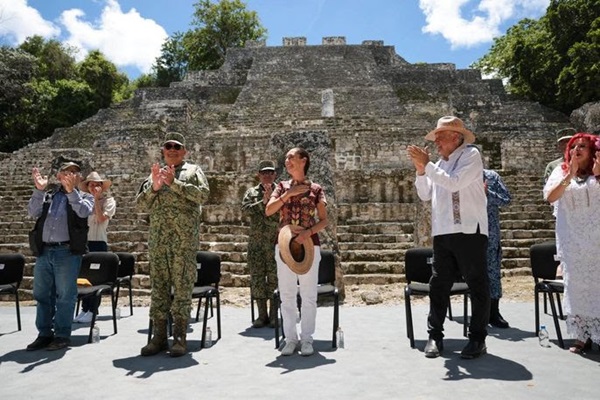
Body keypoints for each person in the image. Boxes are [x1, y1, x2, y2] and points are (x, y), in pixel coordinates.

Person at [407, 116, 490, 359]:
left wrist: (428, 165)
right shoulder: (439, 165)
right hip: (443, 232)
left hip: (469, 230)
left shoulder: (470, 155)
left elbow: (455, 184)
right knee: (439, 283)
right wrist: (422, 171)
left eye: (440, 138)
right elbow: (424, 195)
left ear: (456, 137)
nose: (436, 143)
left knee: (477, 284)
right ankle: (435, 335)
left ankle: (477, 338)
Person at [136, 132, 210, 357]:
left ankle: (179, 338)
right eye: (168, 146)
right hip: (159, 241)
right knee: (158, 288)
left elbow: (203, 196)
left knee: (182, 288)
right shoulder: (154, 175)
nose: (172, 150)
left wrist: (174, 183)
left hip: (183, 242)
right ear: (163, 150)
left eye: (177, 146)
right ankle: (158, 337)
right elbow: (140, 204)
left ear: (184, 151)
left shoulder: (194, 171)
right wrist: (155, 187)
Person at [265, 147, 328, 356]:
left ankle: (307, 338)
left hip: (309, 244)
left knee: (309, 294)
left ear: (304, 160)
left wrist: (307, 233)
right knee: (287, 294)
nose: (288, 161)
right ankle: (290, 338)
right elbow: (269, 210)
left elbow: (324, 220)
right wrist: (288, 194)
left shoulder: (317, 189)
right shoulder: (281, 187)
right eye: (286, 158)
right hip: (284, 244)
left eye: (292, 157)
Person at [26, 160, 94, 351]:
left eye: (75, 173)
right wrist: (39, 190)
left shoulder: (85, 197)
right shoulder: (49, 196)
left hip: (67, 252)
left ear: (78, 178)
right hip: (45, 250)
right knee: (42, 294)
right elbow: (32, 212)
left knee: (65, 295)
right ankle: (44, 334)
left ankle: (62, 335)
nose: (70, 175)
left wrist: (72, 192)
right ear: (58, 176)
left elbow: (83, 212)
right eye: (66, 172)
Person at [543, 132, 600, 353]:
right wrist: (570, 176)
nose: (577, 149)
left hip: (596, 239)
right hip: (572, 240)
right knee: (575, 287)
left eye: (582, 146)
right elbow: (550, 197)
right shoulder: (561, 171)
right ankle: (581, 337)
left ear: (592, 150)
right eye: (574, 146)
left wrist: (598, 176)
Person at [73, 171, 116, 324]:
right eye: (91, 185)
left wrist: (97, 200)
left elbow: (101, 218)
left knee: (95, 278)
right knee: (84, 278)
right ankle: (85, 309)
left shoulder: (109, 201)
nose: (94, 187)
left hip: (98, 242)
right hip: (85, 242)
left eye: (97, 185)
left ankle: (93, 310)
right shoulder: (85, 201)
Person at [241, 160, 280, 328]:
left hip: (274, 242)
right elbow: (245, 209)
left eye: (270, 173)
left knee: (274, 279)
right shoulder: (251, 192)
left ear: (275, 174)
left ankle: (273, 315)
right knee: (257, 279)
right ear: (259, 175)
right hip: (256, 243)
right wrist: (262, 203)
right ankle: (261, 315)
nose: (267, 175)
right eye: (264, 173)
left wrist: (271, 200)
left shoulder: (281, 192)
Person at [483, 168, 512, 328]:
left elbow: (507, 199)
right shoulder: (458, 175)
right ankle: (478, 313)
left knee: (493, 273)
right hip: (467, 234)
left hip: (490, 235)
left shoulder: (492, 177)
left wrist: (488, 194)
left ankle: (494, 312)